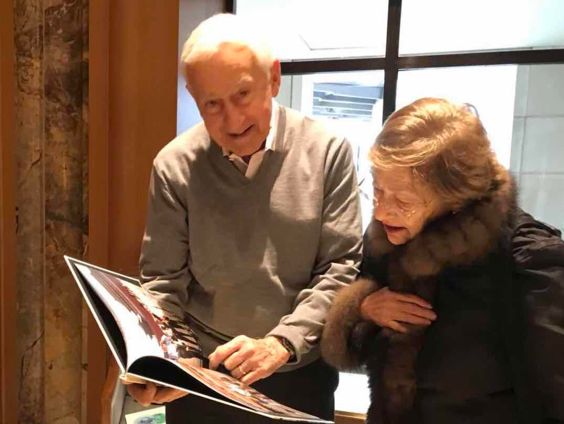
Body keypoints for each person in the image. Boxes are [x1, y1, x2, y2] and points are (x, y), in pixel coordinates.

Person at [127, 13, 363, 423]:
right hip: (205, 372)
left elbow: (340, 268)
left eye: (242, 94)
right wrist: (163, 356)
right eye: (212, 104)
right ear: (193, 97)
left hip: (298, 370)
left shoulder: (328, 151)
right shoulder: (174, 165)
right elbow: (163, 281)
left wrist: (280, 344)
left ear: (274, 78)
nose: (233, 120)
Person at [321, 97, 564, 424]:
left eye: (403, 201)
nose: (381, 212)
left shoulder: (527, 256)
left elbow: (554, 395)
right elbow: (353, 348)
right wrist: (362, 307)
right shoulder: (391, 240)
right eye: (377, 191)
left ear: (456, 198)